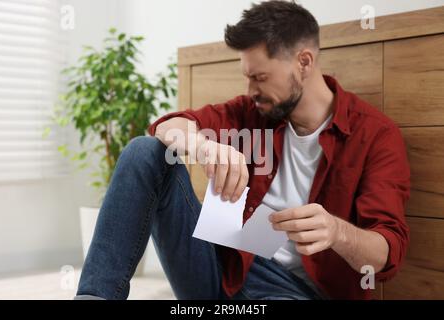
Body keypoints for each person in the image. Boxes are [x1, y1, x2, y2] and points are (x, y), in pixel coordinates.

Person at [76, 0, 410, 300]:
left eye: (260, 77)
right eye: (247, 77)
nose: (251, 90)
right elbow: (166, 126)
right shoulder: (252, 111)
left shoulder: (375, 135)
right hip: (223, 266)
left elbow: (387, 252)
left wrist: (337, 231)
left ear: (304, 62)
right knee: (144, 152)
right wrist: (203, 147)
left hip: (295, 290)